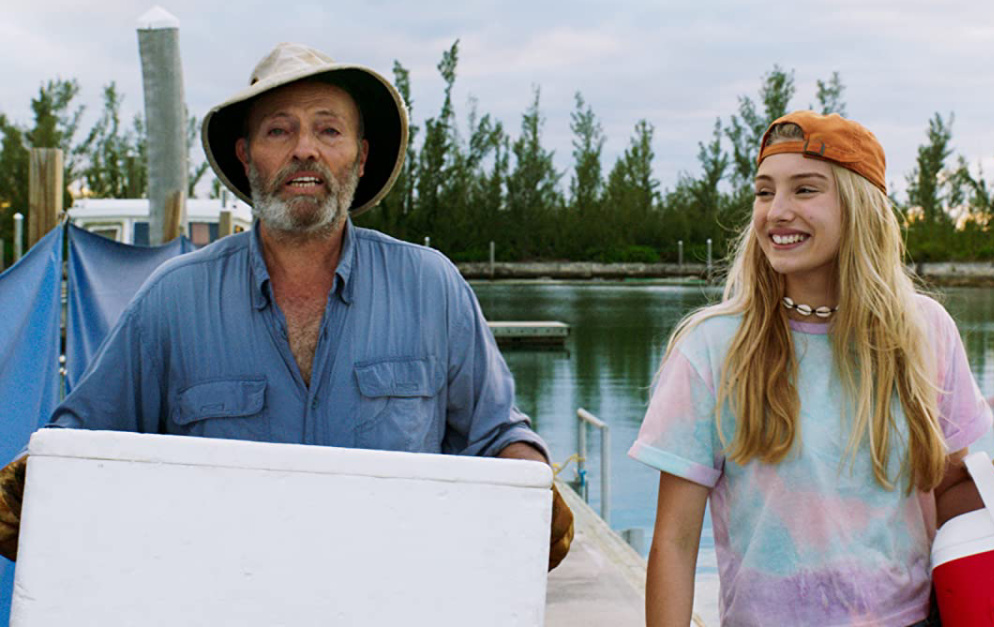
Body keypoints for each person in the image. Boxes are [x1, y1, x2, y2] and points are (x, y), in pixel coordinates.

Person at [0, 42, 572, 570]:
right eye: (279, 131)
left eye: (329, 130)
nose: (305, 149)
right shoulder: (171, 302)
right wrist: (44, 477)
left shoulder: (433, 289)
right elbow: (85, 440)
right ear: (247, 156)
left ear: (361, 156)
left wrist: (527, 480)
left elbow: (494, 435)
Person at [629, 111, 994, 626]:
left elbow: (938, 509)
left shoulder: (925, 330)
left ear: (859, 206)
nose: (777, 211)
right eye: (763, 191)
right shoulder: (711, 347)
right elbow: (674, 539)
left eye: (804, 190)